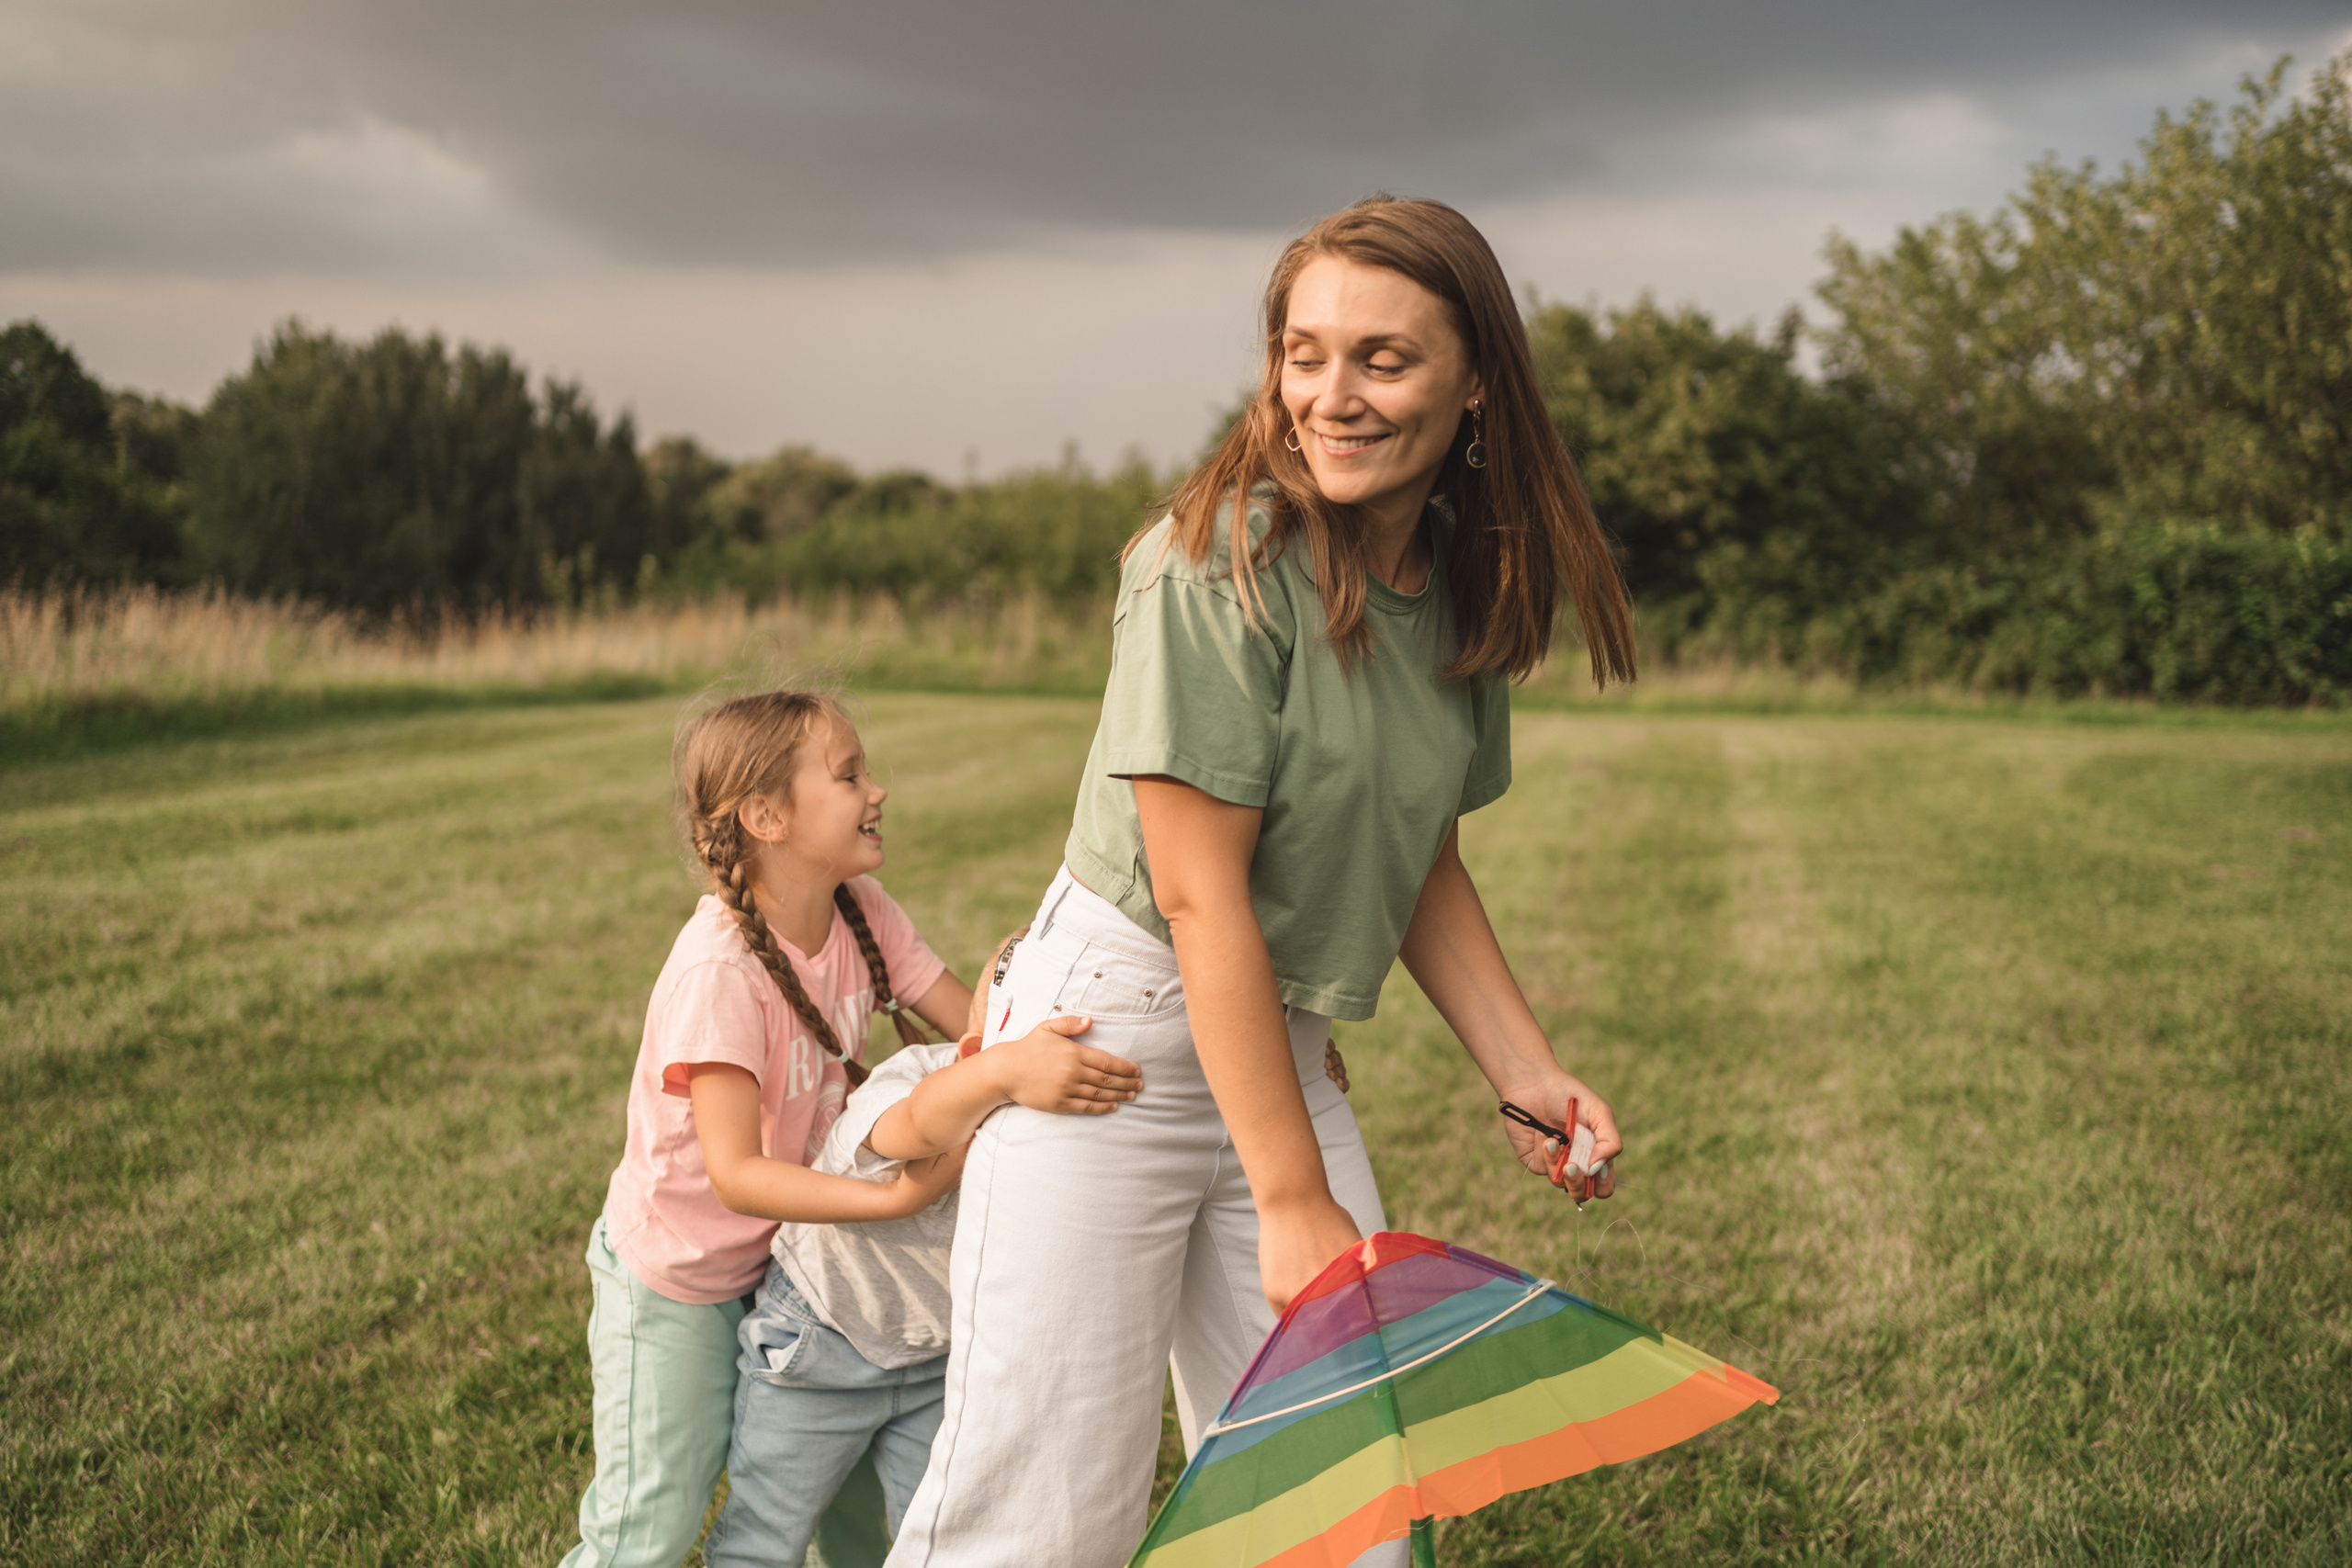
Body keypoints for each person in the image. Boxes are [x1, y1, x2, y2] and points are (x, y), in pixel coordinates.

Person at [885, 196, 1637, 1568]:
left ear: (1476, 383)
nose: (1328, 397)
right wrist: (1290, 1190)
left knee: (1336, 1506)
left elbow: (1416, 857)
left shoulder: (1459, 586)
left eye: (1382, 359)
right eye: (1304, 353)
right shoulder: (1211, 563)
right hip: (1105, 1042)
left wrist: (1524, 1067)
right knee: (1045, 1510)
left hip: (1271, 1041)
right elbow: (1198, 897)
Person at [558, 690, 1131, 1568]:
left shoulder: (860, 908)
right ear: (766, 816)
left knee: (855, 1521)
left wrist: (1019, 974)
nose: (878, 790)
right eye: (850, 773)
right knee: (651, 1525)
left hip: (794, 1275)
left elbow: (970, 1035)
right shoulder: (719, 971)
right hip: (678, 1281)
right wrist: (893, 1197)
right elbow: (738, 1175)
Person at [705, 939, 1143, 1566]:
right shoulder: (910, 1077)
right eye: (1026, 1057)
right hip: (821, 1339)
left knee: (945, 1534)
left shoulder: (1060, 1132)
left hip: (936, 1358)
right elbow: (916, 1124)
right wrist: (995, 1076)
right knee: (763, 1536)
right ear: (972, 1050)